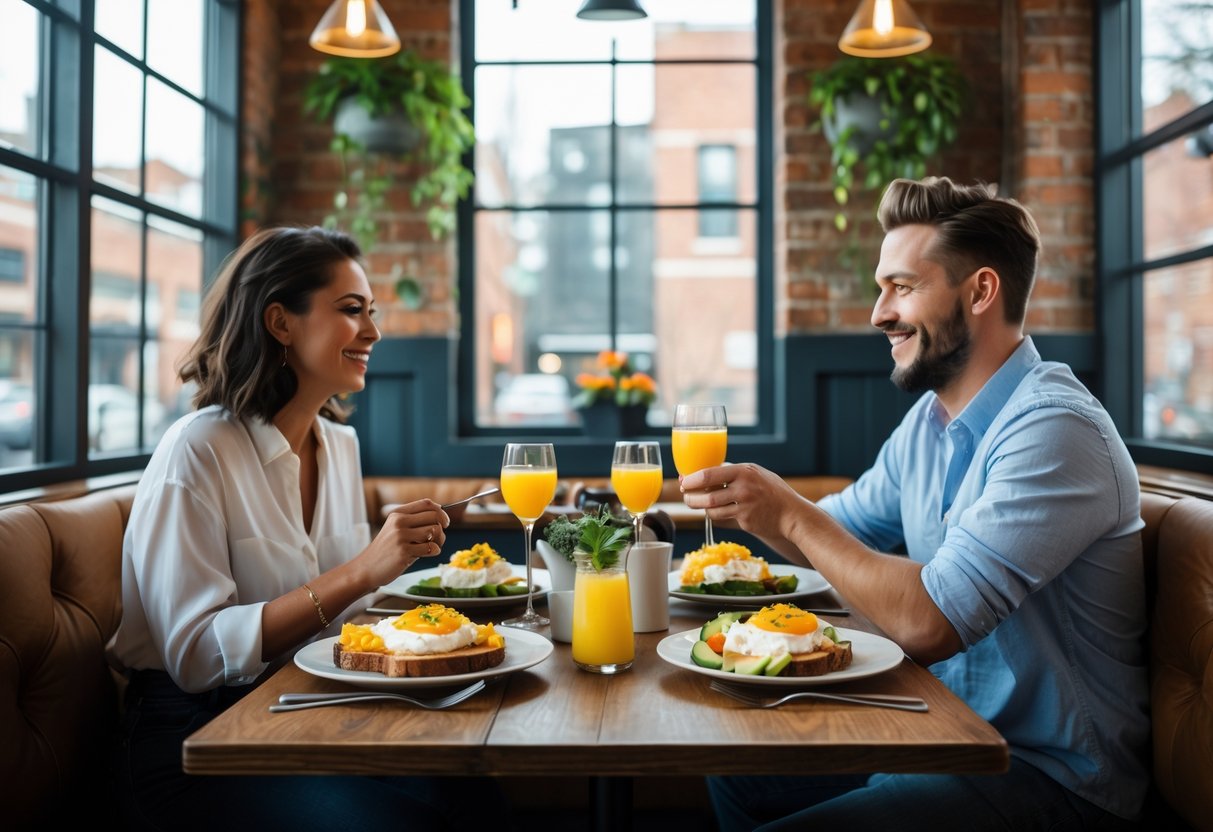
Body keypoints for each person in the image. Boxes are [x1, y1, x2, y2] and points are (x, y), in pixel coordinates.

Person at [683, 177, 1149, 830]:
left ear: (980, 291)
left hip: (1050, 777)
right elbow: (835, 532)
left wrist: (787, 511)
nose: (878, 312)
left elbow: (929, 622)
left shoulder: (1054, 429)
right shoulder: (928, 423)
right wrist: (750, 510)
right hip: (941, 732)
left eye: (901, 286)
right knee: (734, 765)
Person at [106, 226, 499, 831]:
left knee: (477, 793)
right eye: (351, 311)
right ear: (280, 323)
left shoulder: (339, 445)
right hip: (193, 736)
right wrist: (364, 569)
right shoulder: (198, 450)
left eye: (372, 313)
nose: (373, 331)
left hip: (310, 701)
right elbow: (195, 656)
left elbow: (350, 617)